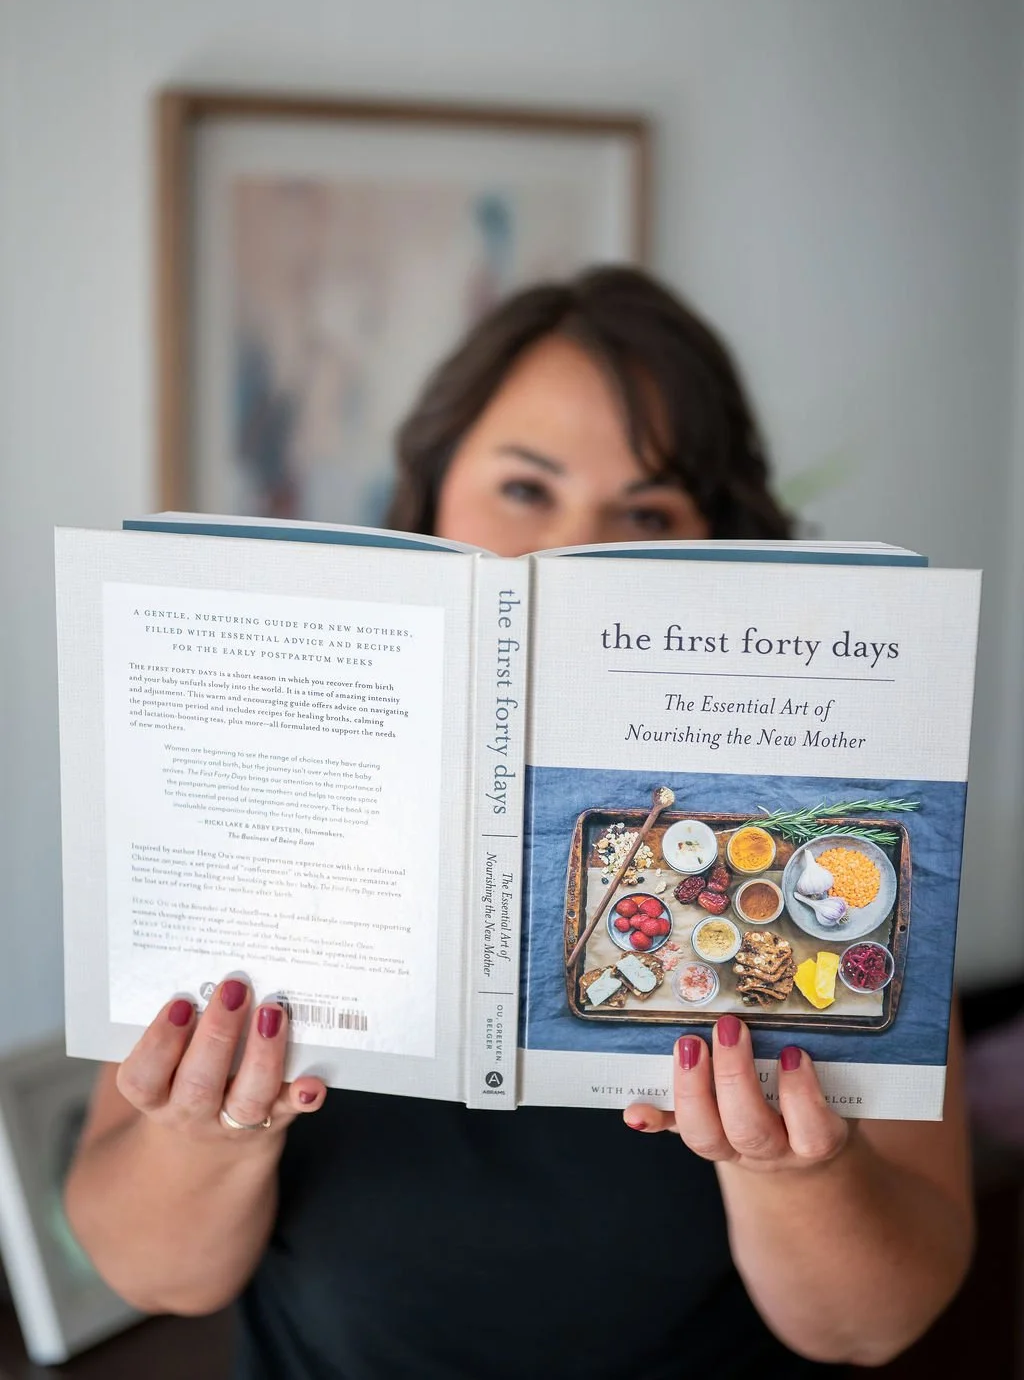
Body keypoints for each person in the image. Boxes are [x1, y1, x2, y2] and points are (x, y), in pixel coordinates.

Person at [65, 268, 972, 1378]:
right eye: (525, 489)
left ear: (713, 544)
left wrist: (797, 1174)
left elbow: (874, 1323)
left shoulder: (804, 848)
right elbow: (152, 1275)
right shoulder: (263, 793)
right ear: (432, 495)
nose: (570, 552)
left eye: (645, 513)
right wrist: (196, 1134)